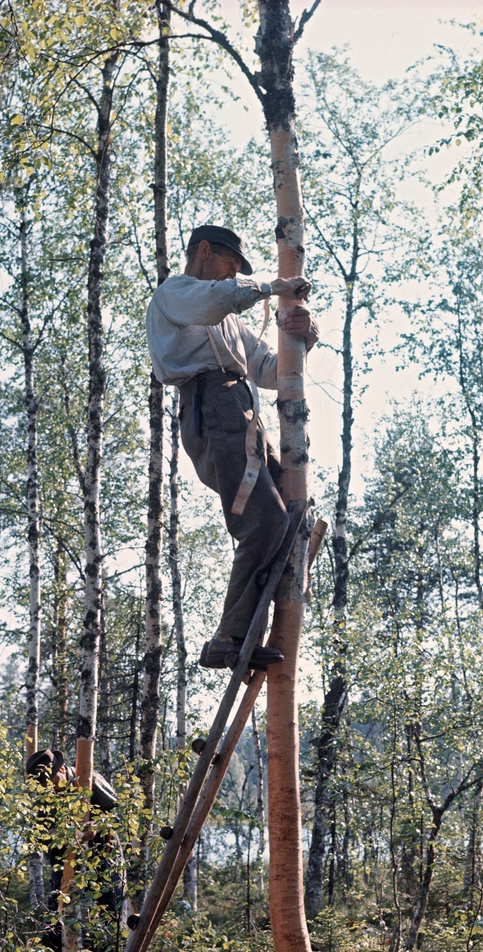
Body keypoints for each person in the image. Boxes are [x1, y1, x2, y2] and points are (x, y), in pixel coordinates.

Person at [146, 224, 318, 670]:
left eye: (238, 271)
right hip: (214, 408)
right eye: (230, 265)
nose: (232, 275)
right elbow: (215, 299)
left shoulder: (228, 320)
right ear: (205, 252)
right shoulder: (176, 294)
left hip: (240, 412)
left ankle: (244, 632)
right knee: (263, 519)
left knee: (287, 507)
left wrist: (304, 336)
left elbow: (270, 369)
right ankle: (229, 637)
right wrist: (273, 287)